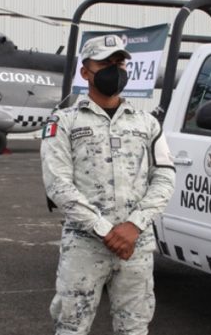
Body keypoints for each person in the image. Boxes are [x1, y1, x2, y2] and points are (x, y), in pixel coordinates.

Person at [41, 34, 176, 335]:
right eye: (105, 63)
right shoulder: (64, 122)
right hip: (84, 245)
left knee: (135, 328)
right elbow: (58, 185)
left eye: (120, 62)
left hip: (135, 246)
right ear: (85, 71)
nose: (115, 69)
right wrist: (106, 231)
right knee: (71, 327)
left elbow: (165, 177)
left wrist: (134, 226)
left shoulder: (147, 123)